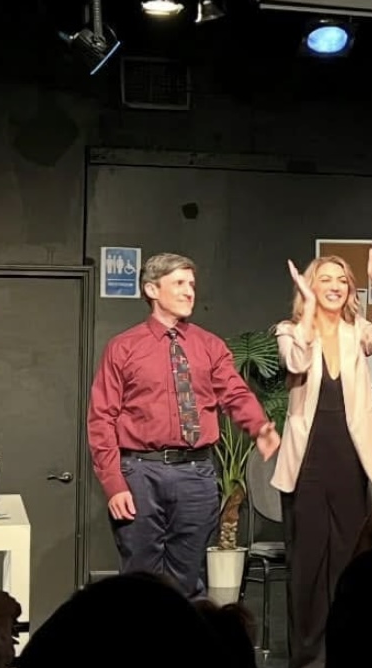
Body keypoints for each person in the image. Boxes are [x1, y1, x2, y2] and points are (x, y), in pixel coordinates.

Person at [88, 252, 279, 599]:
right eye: (179, 283)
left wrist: (260, 427)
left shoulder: (209, 346)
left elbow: (234, 392)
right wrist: (114, 483)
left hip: (196, 474)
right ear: (152, 289)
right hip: (140, 473)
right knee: (140, 579)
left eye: (191, 284)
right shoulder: (123, 348)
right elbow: (102, 417)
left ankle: (185, 650)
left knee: (189, 579)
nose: (189, 291)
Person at [273, 238, 372, 668]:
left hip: (349, 458)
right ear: (309, 287)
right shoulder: (290, 329)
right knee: (308, 563)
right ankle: (307, 664)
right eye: (324, 280)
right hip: (307, 462)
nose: (334, 287)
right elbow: (296, 359)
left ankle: (346, 658)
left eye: (341, 281)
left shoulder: (356, 331)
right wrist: (307, 310)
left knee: (348, 562)